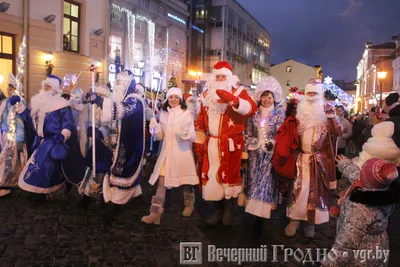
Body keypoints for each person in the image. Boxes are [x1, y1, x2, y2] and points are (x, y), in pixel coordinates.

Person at [194, 61, 257, 226]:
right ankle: (217, 210)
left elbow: (252, 109)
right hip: (212, 143)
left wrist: (234, 101)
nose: (220, 79)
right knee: (212, 175)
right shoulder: (207, 94)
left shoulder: (239, 92)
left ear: (229, 77)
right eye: (218, 76)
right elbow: (201, 118)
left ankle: (228, 209)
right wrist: (199, 142)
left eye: (223, 76)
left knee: (228, 176)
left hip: (231, 144)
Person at [285, 78, 343, 238]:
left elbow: (337, 132)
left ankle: (310, 223)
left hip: (318, 161)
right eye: (309, 93)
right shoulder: (299, 113)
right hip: (300, 158)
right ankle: (295, 220)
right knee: (298, 190)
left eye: (314, 93)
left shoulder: (327, 113)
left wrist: (331, 117)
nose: (311, 96)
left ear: (320, 95)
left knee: (315, 193)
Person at [15, 75, 86, 196]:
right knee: (38, 167)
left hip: (54, 141)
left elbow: (68, 123)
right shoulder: (38, 104)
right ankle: (37, 191)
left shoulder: (62, 105)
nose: (46, 88)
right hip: (40, 141)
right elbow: (30, 121)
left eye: (49, 86)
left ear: (55, 89)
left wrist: (63, 135)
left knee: (45, 167)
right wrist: (20, 107)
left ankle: (40, 192)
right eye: (45, 85)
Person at [322, 156, 397, 267]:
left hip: (359, 256)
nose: (360, 171)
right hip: (379, 247)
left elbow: (346, 244)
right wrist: (345, 164)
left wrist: (328, 264)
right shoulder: (382, 190)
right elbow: (357, 174)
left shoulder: (361, 208)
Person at [88, 70, 145, 216]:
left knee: (123, 171)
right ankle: (133, 196)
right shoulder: (120, 98)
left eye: (119, 82)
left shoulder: (135, 99)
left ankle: (116, 204)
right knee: (114, 169)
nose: (116, 84)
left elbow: (122, 111)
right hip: (117, 143)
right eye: (116, 81)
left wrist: (100, 101)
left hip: (129, 144)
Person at [141, 87, 198, 225]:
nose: (173, 100)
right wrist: (155, 128)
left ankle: (189, 203)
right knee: (162, 182)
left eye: (176, 97)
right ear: (167, 99)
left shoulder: (186, 114)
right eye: (171, 97)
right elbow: (161, 136)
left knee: (185, 182)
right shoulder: (163, 114)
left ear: (180, 99)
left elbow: (192, 135)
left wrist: (184, 133)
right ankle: (155, 213)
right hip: (166, 154)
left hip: (182, 154)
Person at [244, 76, 285, 219]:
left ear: (274, 99)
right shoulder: (253, 115)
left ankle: (266, 205)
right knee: (254, 178)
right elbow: (248, 134)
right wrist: (254, 143)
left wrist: (272, 143)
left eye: (269, 97)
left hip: (270, 154)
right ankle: (252, 206)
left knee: (267, 179)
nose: (266, 100)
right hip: (255, 153)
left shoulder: (279, 115)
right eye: (264, 97)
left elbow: (281, 135)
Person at [0, 82, 27, 198]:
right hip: (5, 134)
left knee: (8, 160)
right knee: (7, 160)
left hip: (14, 136)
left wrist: (20, 139)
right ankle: (10, 182)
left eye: (11, 89)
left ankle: (5, 186)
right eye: (8, 89)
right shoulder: (5, 102)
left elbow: (21, 122)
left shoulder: (19, 102)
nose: (9, 91)